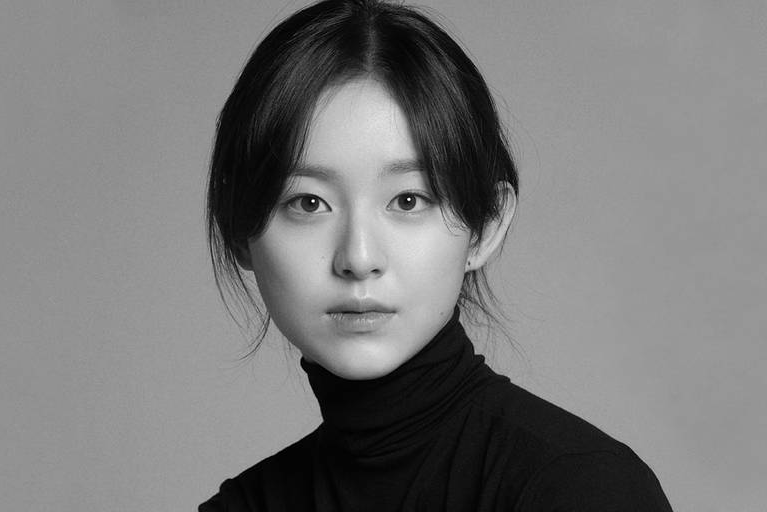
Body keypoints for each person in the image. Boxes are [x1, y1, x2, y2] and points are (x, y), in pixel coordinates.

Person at [200, 1, 672, 510]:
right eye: (309, 203)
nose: (358, 258)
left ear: (485, 226)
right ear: (238, 226)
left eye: (408, 200)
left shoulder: (582, 488)